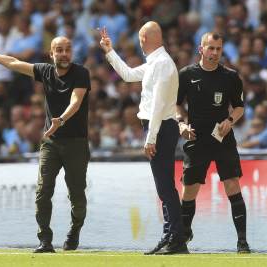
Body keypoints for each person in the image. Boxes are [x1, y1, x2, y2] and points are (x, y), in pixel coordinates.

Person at [0, 36, 91, 253]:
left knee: (77, 195)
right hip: (51, 142)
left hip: (76, 144)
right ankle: (45, 240)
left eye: (67, 49)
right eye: (59, 50)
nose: (64, 54)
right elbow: (13, 63)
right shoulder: (45, 71)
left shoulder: (81, 73)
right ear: (51, 55)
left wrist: (60, 120)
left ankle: (74, 230)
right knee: (42, 192)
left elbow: (76, 102)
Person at [100, 22, 188, 254]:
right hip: (160, 127)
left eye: (140, 37)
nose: (139, 42)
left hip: (161, 128)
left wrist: (150, 138)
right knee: (164, 186)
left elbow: (158, 105)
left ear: (146, 38)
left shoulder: (162, 64)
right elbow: (128, 75)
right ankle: (173, 235)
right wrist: (109, 51)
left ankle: (175, 236)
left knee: (164, 186)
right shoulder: (156, 63)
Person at [176, 32, 251, 253]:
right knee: (189, 189)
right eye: (211, 48)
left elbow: (239, 107)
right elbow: (177, 104)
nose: (215, 53)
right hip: (196, 137)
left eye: (218, 49)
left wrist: (230, 120)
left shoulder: (231, 77)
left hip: (222, 138)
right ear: (201, 49)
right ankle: (184, 234)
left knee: (232, 184)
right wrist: (181, 123)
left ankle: (242, 241)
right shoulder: (186, 74)